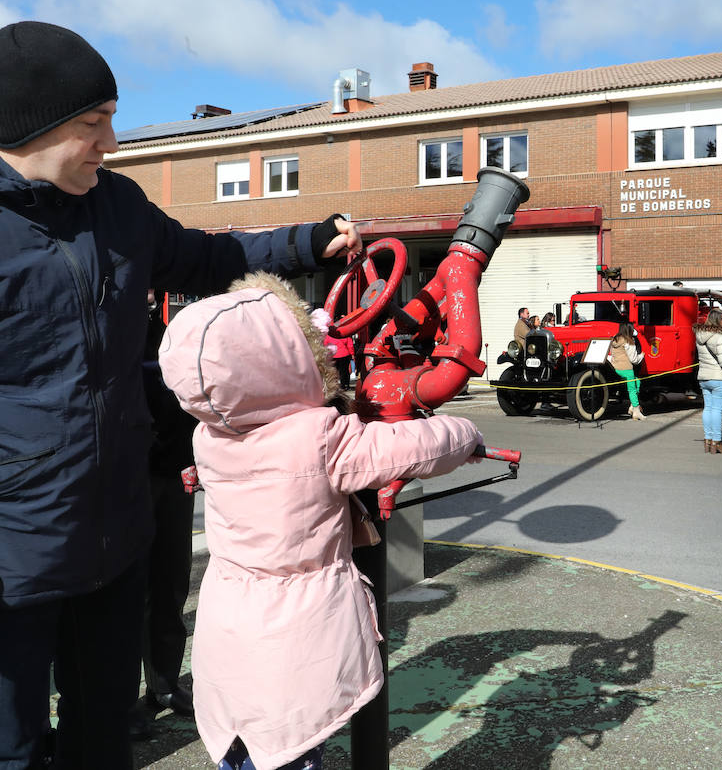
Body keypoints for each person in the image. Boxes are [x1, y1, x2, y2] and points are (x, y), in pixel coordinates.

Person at [0, 21, 362, 769]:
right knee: (3, 752)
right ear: (29, 127)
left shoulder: (116, 207)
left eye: (109, 119)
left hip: (117, 540)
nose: (109, 143)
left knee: (102, 740)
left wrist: (307, 243)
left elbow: (206, 257)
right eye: (93, 124)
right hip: (3, 558)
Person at [158, 272, 484, 770]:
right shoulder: (322, 438)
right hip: (299, 639)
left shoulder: (210, 437)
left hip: (229, 631)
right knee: (293, 741)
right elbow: (411, 448)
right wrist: (464, 433)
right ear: (281, 363)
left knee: (247, 746)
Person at [131, 292, 199, 739]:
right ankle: (118, 702)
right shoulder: (105, 336)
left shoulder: (172, 336)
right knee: (124, 598)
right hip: (124, 480)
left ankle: (164, 684)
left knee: (171, 585)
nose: (150, 296)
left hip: (174, 475)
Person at [695, 308, 722, 453]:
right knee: (717, 410)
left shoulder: (700, 335)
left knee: (708, 409)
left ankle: (707, 441)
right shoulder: (720, 337)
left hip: (704, 376)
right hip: (720, 377)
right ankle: (716, 442)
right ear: (717, 320)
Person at [609, 323, 646, 420]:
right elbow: (634, 360)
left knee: (637, 381)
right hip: (626, 369)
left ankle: (632, 407)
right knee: (632, 390)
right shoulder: (629, 341)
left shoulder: (615, 339)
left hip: (616, 368)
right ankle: (636, 410)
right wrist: (642, 355)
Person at [312, 307, 355, 388]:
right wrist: (352, 354)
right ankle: (345, 385)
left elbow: (324, 343)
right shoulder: (344, 334)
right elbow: (350, 344)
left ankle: (334, 386)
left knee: (334, 371)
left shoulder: (329, 334)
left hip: (333, 356)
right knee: (344, 371)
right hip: (344, 355)